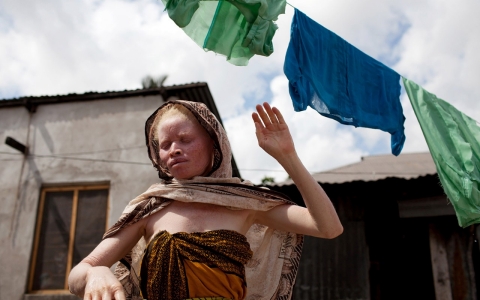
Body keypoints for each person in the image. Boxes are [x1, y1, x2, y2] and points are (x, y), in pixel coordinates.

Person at [68, 100, 343, 300]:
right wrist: (94, 273)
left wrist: (287, 156)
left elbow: (328, 227)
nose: (174, 150)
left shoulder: (245, 204)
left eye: (185, 139)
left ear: (215, 145)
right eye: (164, 145)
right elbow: (77, 275)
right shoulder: (150, 207)